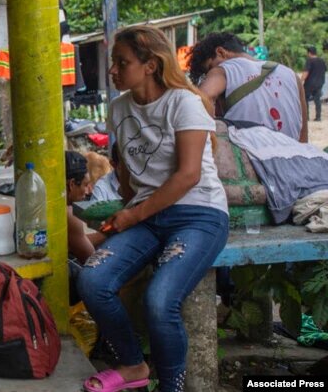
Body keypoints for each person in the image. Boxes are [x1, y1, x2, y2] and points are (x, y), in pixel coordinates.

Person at [78, 26, 228, 392]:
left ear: (150, 64)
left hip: (199, 214)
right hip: (148, 215)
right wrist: (128, 211)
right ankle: (133, 365)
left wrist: (131, 216)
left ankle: (171, 385)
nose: (112, 70)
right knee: (93, 281)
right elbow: (127, 170)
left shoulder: (184, 102)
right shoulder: (118, 108)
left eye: (121, 62)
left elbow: (188, 176)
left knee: (160, 301)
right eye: (114, 62)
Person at [188, 32, 306, 142]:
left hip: (251, 158)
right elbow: (303, 136)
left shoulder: (223, 69)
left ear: (221, 52)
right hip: (291, 158)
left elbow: (199, 101)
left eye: (209, 68)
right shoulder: (291, 75)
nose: (210, 73)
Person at [303, 45, 326, 122]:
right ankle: (318, 117)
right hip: (319, 83)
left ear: (309, 53)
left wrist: (300, 80)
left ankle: (306, 117)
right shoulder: (322, 61)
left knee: (305, 99)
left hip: (309, 84)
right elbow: (324, 71)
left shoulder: (309, 61)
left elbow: (306, 72)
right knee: (317, 100)